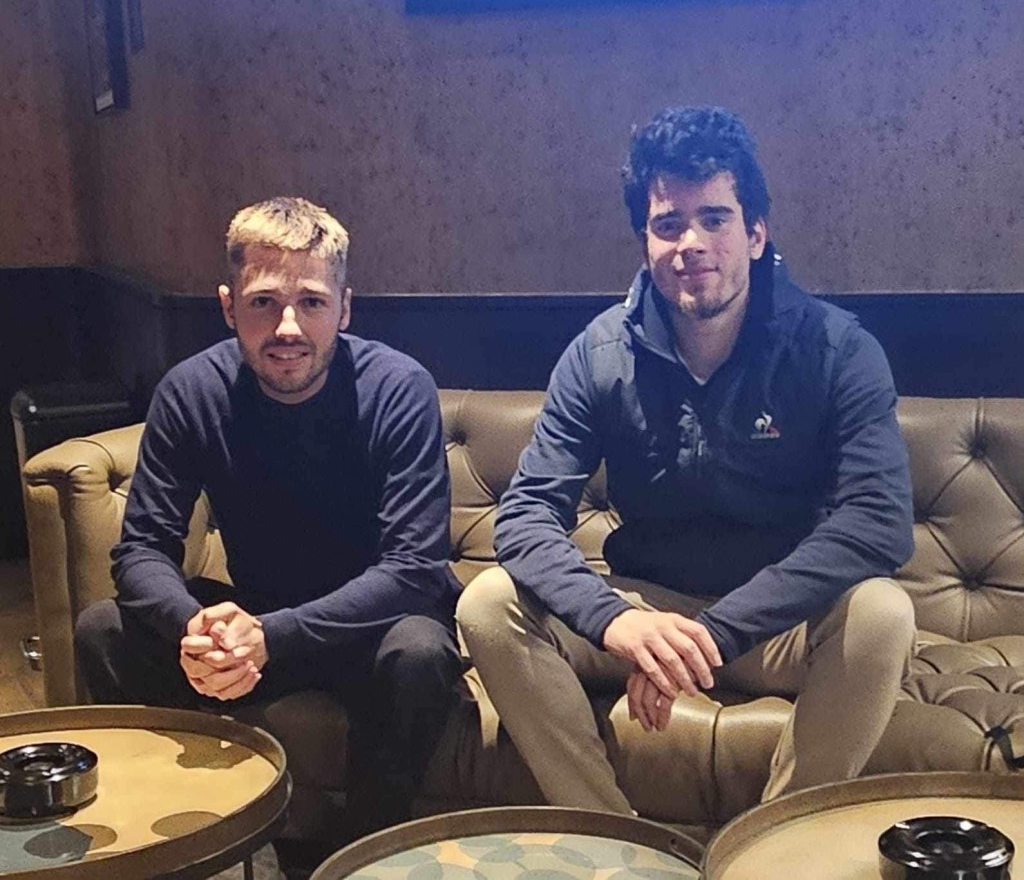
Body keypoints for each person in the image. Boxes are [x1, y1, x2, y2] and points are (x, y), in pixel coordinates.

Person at [456, 106, 917, 813]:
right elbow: (524, 518)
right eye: (668, 224)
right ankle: (615, 839)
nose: (691, 243)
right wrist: (615, 621)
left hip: (778, 621)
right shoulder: (598, 354)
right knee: (487, 603)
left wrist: (713, 634)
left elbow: (878, 522)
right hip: (646, 608)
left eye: (715, 219)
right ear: (646, 242)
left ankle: (772, 850)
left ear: (755, 234)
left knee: (883, 612)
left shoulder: (836, 348)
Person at [75, 197, 465, 869]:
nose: (288, 326)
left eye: (311, 302)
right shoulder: (190, 391)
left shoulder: (399, 388)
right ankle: (187, 846)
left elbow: (413, 569)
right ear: (229, 307)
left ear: (344, 308)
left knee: (421, 652)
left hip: (370, 627)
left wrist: (270, 635)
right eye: (264, 303)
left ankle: (356, 858)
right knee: (103, 628)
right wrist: (195, 627)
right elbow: (141, 549)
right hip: (255, 615)